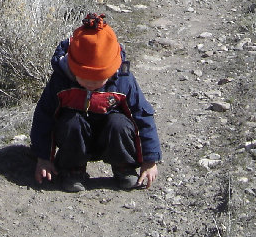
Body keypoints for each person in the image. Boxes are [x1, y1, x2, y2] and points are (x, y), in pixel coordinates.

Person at [30, 13, 161, 192]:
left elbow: (142, 116)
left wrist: (149, 160)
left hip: (111, 136)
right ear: (72, 69)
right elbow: (44, 117)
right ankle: (72, 170)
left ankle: (124, 167)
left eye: (98, 79)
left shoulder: (123, 80)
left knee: (120, 123)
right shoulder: (61, 81)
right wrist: (43, 158)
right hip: (74, 138)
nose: (91, 85)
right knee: (71, 122)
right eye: (84, 78)